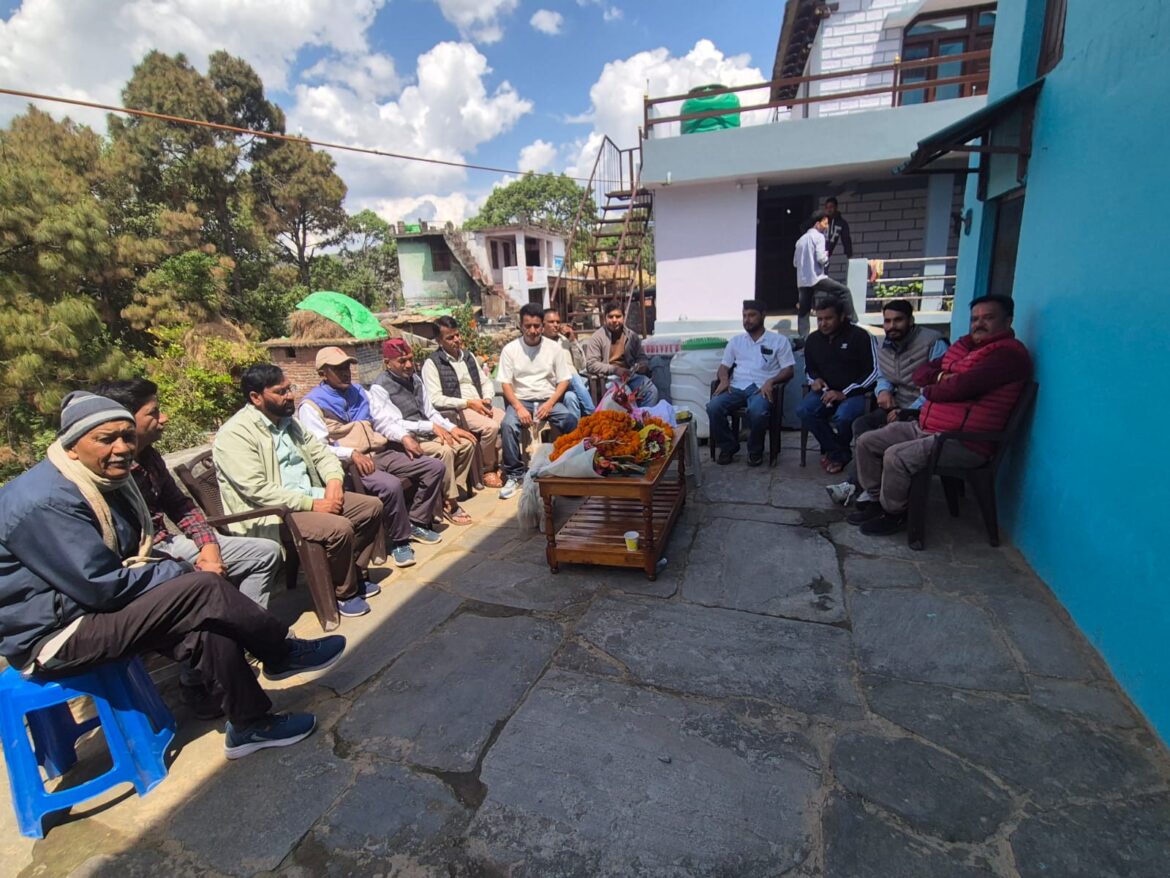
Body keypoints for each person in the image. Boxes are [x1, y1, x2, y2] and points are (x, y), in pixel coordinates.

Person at [0, 392, 346, 759]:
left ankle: (249, 724)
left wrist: (179, 567)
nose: (122, 448)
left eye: (127, 436)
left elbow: (137, 547)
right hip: (58, 634)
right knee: (202, 587)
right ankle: (280, 651)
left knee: (207, 621)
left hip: (92, 607)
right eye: (106, 439)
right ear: (71, 446)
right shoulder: (46, 502)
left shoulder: (102, 479)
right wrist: (178, 570)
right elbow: (101, 586)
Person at [95, 378, 284, 719]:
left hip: (176, 544)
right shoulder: (102, 474)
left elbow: (180, 506)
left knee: (264, 553)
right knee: (200, 588)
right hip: (143, 560)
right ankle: (199, 680)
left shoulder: (150, 457)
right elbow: (121, 549)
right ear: (125, 420)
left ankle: (246, 644)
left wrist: (208, 547)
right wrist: (193, 568)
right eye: (154, 412)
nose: (164, 418)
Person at [848, 295, 1033, 536]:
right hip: (928, 427)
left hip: (963, 441)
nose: (979, 324)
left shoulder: (1007, 355)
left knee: (896, 455)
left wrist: (935, 386)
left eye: (988, 318)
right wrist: (941, 377)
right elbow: (921, 374)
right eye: (975, 319)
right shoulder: (963, 347)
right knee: (867, 440)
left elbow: (959, 388)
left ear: (1007, 321)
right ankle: (876, 501)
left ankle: (895, 513)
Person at [214, 364, 384, 618]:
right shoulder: (235, 434)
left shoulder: (289, 423)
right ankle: (343, 593)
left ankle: (349, 571)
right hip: (273, 513)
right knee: (339, 528)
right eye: (280, 392)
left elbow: (322, 453)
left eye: (289, 388)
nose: (290, 395)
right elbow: (257, 489)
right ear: (256, 397)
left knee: (371, 508)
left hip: (311, 495)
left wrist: (334, 482)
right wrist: (312, 504)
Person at [298, 346, 446, 569]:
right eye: (338, 369)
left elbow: (383, 421)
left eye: (347, 367)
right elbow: (318, 447)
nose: (345, 372)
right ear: (323, 374)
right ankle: (400, 541)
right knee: (390, 485)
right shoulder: (311, 405)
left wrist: (404, 437)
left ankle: (416, 521)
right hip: (349, 465)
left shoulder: (360, 392)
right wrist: (350, 453)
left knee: (434, 467)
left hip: (380, 453)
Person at [824, 301, 948, 505]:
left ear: (911, 320)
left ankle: (857, 486)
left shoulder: (933, 342)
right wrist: (883, 391)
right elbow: (883, 376)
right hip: (896, 404)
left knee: (883, 431)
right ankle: (869, 482)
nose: (892, 326)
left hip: (924, 410)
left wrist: (908, 411)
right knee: (862, 424)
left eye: (898, 320)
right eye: (887, 321)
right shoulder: (884, 344)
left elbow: (939, 387)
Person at [367, 338, 479, 525]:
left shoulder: (415, 379)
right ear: (387, 363)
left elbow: (430, 412)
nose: (408, 365)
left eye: (410, 359)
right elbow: (391, 423)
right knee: (444, 451)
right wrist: (429, 427)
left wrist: (451, 427)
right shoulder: (380, 387)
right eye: (402, 361)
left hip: (426, 433)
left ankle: (445, 493)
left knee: (466, 444)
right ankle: (451, 503)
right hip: (403, 441)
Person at [496, 302, 579, 499]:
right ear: (520, 326)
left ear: (542, 326)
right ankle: (515, 475)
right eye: (528, 326)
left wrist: (550, 403)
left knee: (570, 420)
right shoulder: (510, 349)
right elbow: (505, 384)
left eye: (536, 326)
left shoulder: (554, 348)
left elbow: (564, 380)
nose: (532, 330)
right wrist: (518, 407)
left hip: (548, 399)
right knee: (507, 425)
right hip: (522, 401)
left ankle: (569, 467)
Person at [706, 299, 796, 467]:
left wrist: (771, 381)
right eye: (744, 315)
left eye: (752, 315)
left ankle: (755, 451)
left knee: (758, 412)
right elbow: (724, 367)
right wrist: (724, 379)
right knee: (713, 406)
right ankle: (728, 447)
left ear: (763, 315)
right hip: (737, 387)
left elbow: (789, 370)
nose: (747, 320)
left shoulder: (778, 341)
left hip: (762, 388)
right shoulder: (736, 341)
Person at [420, 316, 506, 489]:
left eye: (457, 335)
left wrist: (487, 398)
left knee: (508, 420)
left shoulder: (468, 356)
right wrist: (468, 403)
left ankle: (502, 465)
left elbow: (485, 382)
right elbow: (435, 398)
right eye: (450, 338)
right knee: (490, 427)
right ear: (439, 341)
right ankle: (487, 469)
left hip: (481, 404)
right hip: (459, 410)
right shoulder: (432, 364)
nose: (457, 340)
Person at [799, 298, 879, 474]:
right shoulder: (813, 339)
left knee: (843, 417)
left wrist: (845, 393)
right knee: (805, 410)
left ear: (842, 316)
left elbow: (874, 372)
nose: (823, 323)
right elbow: (809, 368)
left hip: (857, 392)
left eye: (828, 318)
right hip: (825, 391)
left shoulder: (861, 336)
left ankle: (836, 453)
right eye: (819, 319)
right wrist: (815, 380)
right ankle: (839, 453)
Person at [582, 300, 659, 407]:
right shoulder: (597, 337)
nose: (614, 320)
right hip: (608, 379)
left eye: (618, 316)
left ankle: (644, 415)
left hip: (629, 376)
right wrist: (615, 370)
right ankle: (631, 417)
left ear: (623, 317)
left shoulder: (632, 336)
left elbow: (642, 357)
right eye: (611, 317)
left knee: (651, 390)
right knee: (624, 393)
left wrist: (642, 365)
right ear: (605, 318)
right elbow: (591, 364)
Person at [794, 210, 855, 337]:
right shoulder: (819, 237)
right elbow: (821, 258)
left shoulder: (800, 240)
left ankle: (803, 337)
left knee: (804, 310)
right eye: (825, 223)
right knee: (844, 292)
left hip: (803, 280)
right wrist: (826, 258)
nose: (827, 227)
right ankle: (853, 322)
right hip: (816, 277)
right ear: (817, 224)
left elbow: (795, 263)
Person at [542, 308, 596, 419]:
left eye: (558, 322)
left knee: (570, 397)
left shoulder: (564, 340)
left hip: (572, 386)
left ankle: (576, 429)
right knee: (572, 376)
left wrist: (572, 340)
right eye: (551, 322)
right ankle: (593, 414)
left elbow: (581, 365)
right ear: (543, 324)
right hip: (554, 385)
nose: (556, 325)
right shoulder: (540, 343)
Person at [824, 197, 853, 261]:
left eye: (831, 207)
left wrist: (849, 254)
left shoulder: (841, 223)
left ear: (836, 207)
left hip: (826, 255)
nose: (829, 210)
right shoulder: (821, 220)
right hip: (816, 252)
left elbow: (846, 239)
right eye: (827, 207)